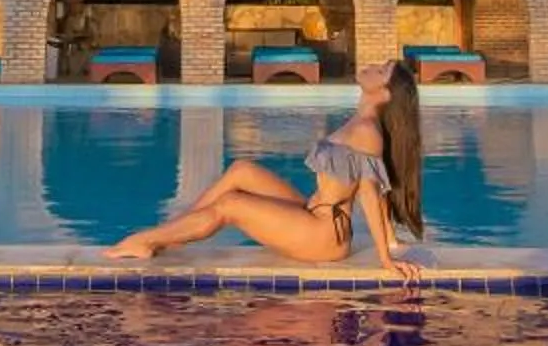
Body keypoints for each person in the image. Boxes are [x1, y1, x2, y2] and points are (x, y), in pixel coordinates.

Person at [108, 57, 426, 278]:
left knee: (231, 205)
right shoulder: (360, 122)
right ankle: (177, 231)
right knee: (242, 170)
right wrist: (394, 241)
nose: (372, 67)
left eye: (382, 70)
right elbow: (380, 187)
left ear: (385, 93)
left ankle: (147, 240)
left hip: (323, 236)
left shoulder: (367, 132)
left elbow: (371, 192)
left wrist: (386, 259)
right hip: (313, 214)